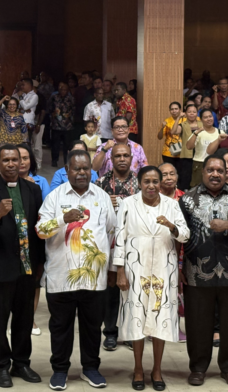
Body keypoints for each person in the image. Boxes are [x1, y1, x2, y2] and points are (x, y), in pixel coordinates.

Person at [36, 150, 117, 390]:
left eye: (85, 168)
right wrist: (64, 218)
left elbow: (112, 233)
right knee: (60, 326)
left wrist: (112, 269)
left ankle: (90, 368)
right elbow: (41, 231)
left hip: (95, 278)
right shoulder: (54, 197)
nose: (81, 173)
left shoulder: (102, 197)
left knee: (93, 326)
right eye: (76, 169)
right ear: (67, 171)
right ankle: (60, 370)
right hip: (61, 275)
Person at [180, 155, 228, 387]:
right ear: (203, 172)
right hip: (196, 273)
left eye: (220, 170)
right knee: (196, 325)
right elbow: (177, 236)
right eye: (210, 170)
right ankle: (197, 368)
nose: (215, 174)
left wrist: (227, 224)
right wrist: (177, 268)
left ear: (227, 173)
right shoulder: (187, 199)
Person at [0, 144, 45, 388]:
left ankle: (22, 362)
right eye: (6, 160)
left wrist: (40, 263)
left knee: (24, 320)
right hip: (1, 266)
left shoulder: (34, 190)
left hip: (28, 266)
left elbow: (39, 228)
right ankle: (1, 366)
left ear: (22, 162)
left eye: (15, 159)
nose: (12, 164)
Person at [114, 166, 189, 391]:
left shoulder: (172, 205)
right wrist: (119, 271)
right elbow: (119, 238)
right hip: (135, 268)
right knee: (136, 318)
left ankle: (157, 369)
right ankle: (138, 368)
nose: (151, 185)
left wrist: (171, 226)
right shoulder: (127, 204)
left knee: (161, 318)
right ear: (139, 183)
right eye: (146, 181)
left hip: (164, 271)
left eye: (155, 181)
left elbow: (185, 235)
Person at [94, 143, 140, 352]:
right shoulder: (100, 184)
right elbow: (92, 213)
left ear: (132, 158)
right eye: (118, 156)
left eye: (126, 155)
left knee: (132, 290)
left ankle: (131, 332)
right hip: (109, 244)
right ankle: (110, 332)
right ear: (111, 159)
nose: (122, 159)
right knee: (111, 290)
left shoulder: (141, 183)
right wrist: (106, 204)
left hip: (136, 243)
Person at [185, 109, 220, 187]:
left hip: (215, 164)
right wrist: (196, 132)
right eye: (205, 117)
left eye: (210, 116)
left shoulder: (220, 132)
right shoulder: (198, 132)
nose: (209, 119)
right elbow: (189, 146)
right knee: (197, 187)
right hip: (200, 164)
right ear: (201, 119)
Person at [47, 83, 75, 168]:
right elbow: (49, 107)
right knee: (55, 144)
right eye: (61, 89)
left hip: (67, 125)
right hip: (56, 125)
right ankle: (54, 160)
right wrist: (52, 114)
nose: (63, 91)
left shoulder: (71, 98)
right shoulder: (54, 97)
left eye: (65, 90)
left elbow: (74, 109)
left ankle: (67, 161)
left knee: (67, 145)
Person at [159, 102, 185, 173]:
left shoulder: (185, 120)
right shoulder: (167, 121)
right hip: (168, 152)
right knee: (169, 172)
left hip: (182, 153)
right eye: (172, 109)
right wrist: (162, 128)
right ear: (169, 111)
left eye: (176, 109)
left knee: (180, 174)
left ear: (180, 110)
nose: (174, 111)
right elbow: (159, 137)